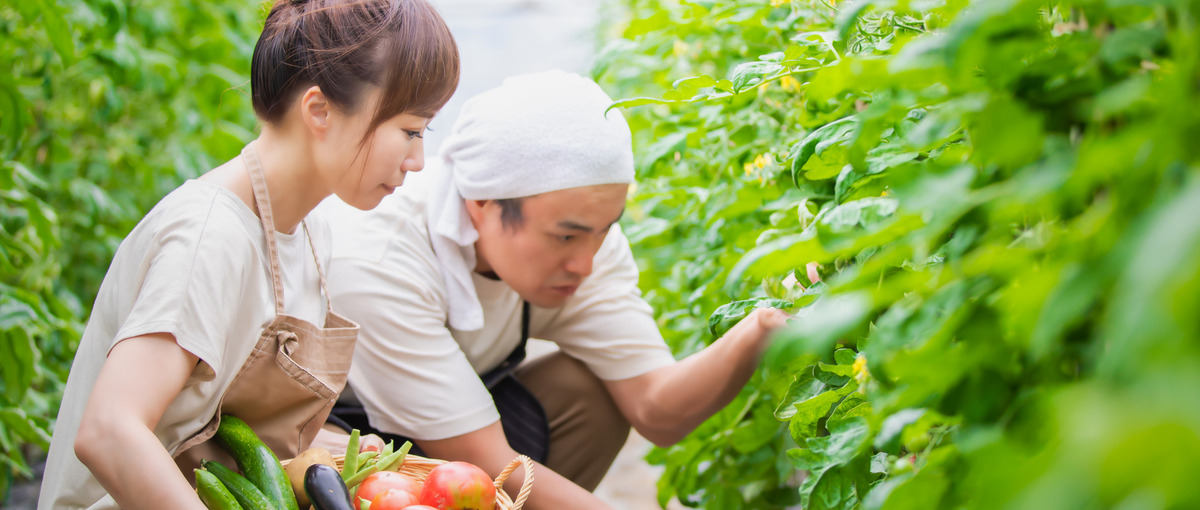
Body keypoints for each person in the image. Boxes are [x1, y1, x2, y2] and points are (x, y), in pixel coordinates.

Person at [37, 1, 458, 508]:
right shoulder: (210, 237)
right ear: (319, 110)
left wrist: (343, 450)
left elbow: (225, 430)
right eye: (411, 130)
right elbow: (110, 430)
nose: (417, 160)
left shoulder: (309, 228)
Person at [319, 70, 790, 509]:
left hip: (456, 431)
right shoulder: (382, 255)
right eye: (565, 236)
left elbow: (657, 408)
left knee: (591, 393)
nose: (585, 262)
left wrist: (763, 325)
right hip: (345, 443)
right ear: (481, 202)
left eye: (604, 229)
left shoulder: (587, 240)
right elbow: (487, 462)